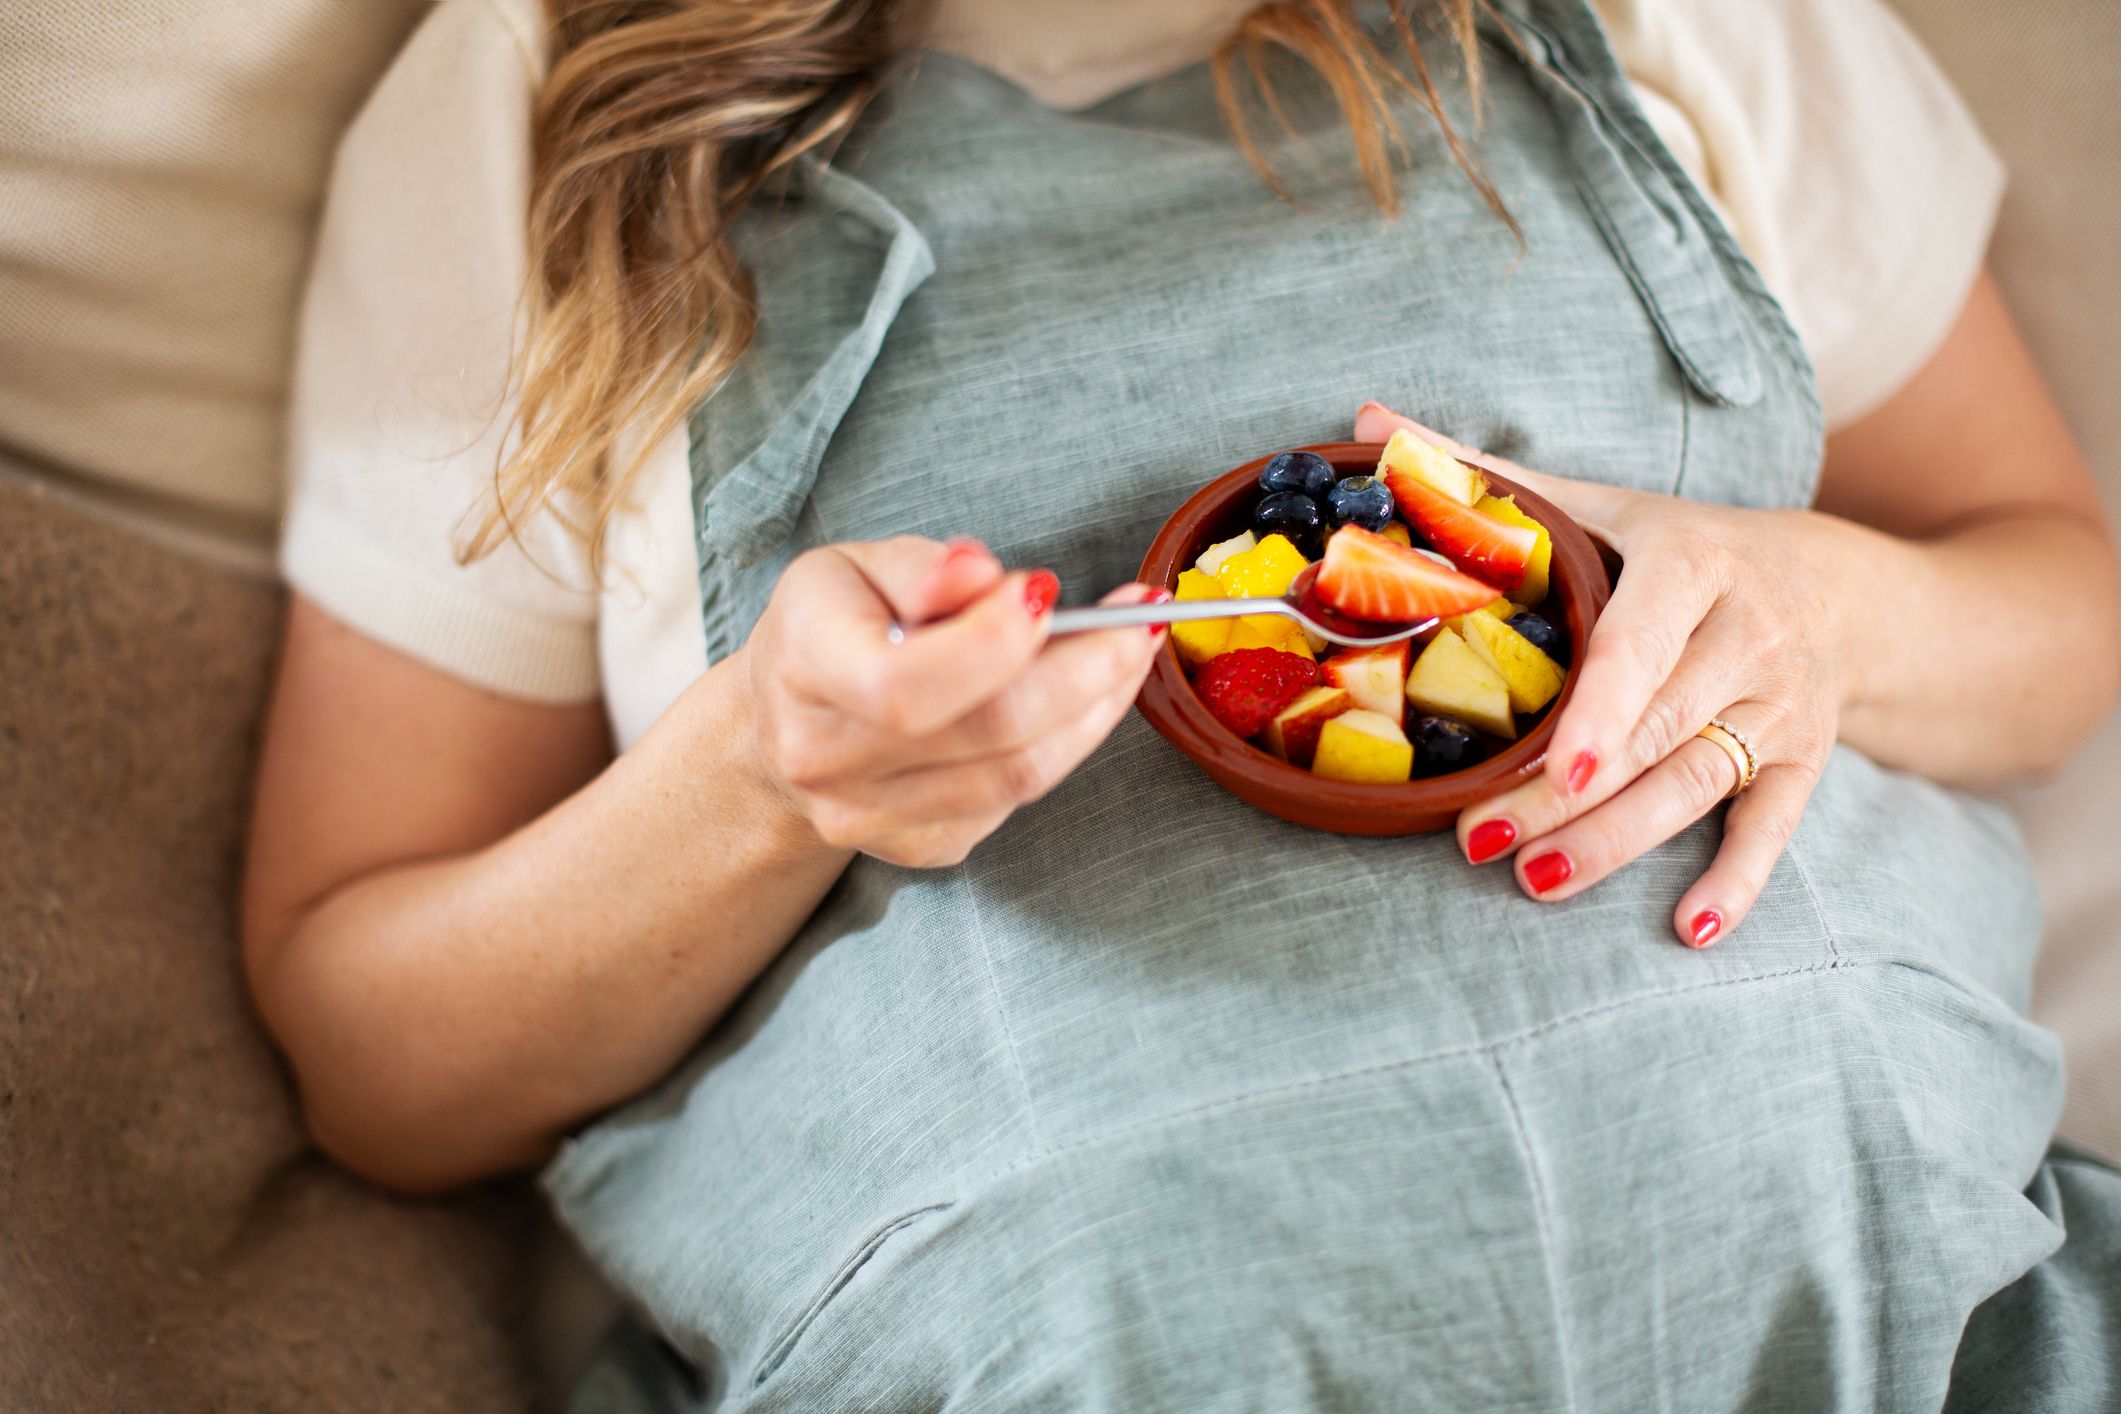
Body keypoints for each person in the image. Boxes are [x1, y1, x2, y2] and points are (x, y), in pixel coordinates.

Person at [243, 0, 2121, 1406]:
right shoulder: (540, 91)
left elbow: (2061, 606)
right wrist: (761, 781)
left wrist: (1822, 608)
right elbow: (380, 1062)